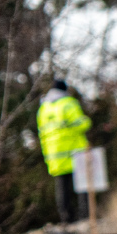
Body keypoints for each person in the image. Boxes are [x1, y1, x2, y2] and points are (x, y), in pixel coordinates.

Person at [36, 76, 91, 224]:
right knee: (82, 184)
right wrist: (87, 121)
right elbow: (81, 124)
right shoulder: (68, 103)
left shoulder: (43, 108)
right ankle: (85, 216)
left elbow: (41, 132)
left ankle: (66, 218)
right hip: (74, 152)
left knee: (62, 187)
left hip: (54, 154)